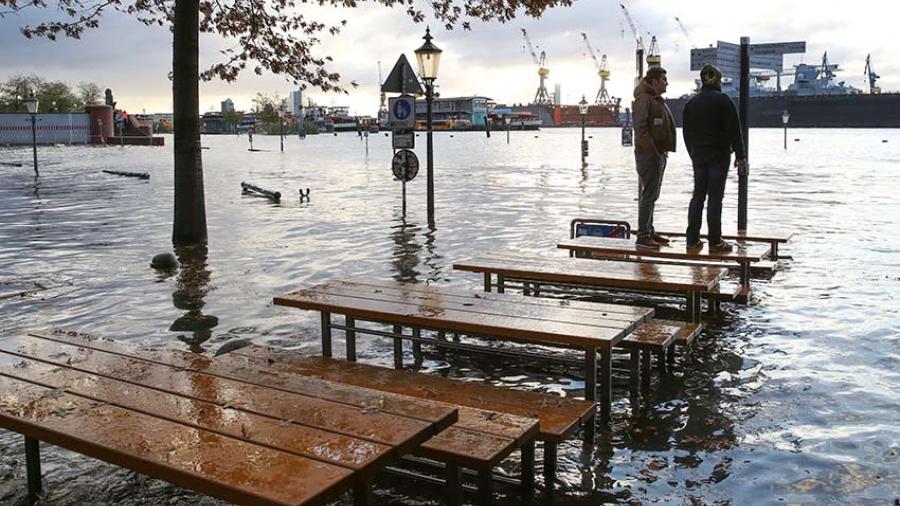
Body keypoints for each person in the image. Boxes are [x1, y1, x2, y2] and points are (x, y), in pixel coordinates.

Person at [682, 64, 747, 252]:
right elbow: (735, 131)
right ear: (718, 81)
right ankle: (715, 240)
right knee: (715, 198)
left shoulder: (690, 104)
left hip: (698, 155)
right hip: (719, 155)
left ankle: (692, 239)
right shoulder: (724, 101)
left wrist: (693, 152)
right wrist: (740, 155)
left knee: (698, 196)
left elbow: (686, 133)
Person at [632, 66, 676, 249]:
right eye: (664, 79)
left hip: (657, 154)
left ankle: (649, 230)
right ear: (655, 81)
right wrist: (653, 153)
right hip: (650, 155)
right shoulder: (644, 100)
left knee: (652, 194)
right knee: (649, 194)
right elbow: (641, 129)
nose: (667, 83)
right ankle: (643, 235)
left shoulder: (655, 100)